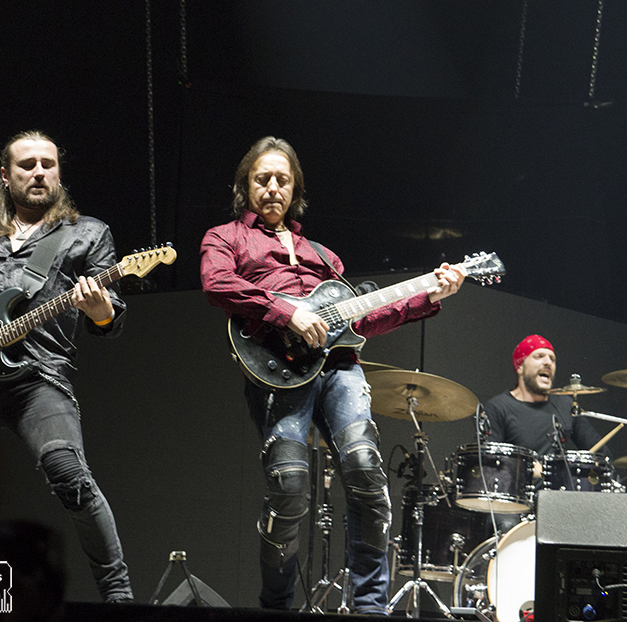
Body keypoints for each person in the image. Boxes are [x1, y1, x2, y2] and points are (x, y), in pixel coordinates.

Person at [199, 136, 465, 615]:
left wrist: (429, 295)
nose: (273, 187)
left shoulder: (324, 256)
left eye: (283, 180)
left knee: (365, 470)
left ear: (295, 188)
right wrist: (287, 312)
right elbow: (217, 283)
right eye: (263, 179)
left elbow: (360, 322)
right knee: (288, 488)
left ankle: (370, 607)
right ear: (246, 186)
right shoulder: (225, 237)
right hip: (276, 370)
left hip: (339, 369)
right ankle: (276, 606)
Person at [0, 130, 133, 602]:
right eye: (27, 165)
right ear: (5, 175)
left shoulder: (87, 233)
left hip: (38, 377)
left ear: (59, 172)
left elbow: (109, 318)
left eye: (48, 164)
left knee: (69, 473)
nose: (39, 172)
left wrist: (99, 309)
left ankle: (119, 599)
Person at [483, 334, 605, 456]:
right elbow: (488, 460)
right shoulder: (498, 407)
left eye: (552, 359)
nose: (548, 362)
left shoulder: (566, 405)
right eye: (539, 356)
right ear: (520, 367)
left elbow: (601, 454)